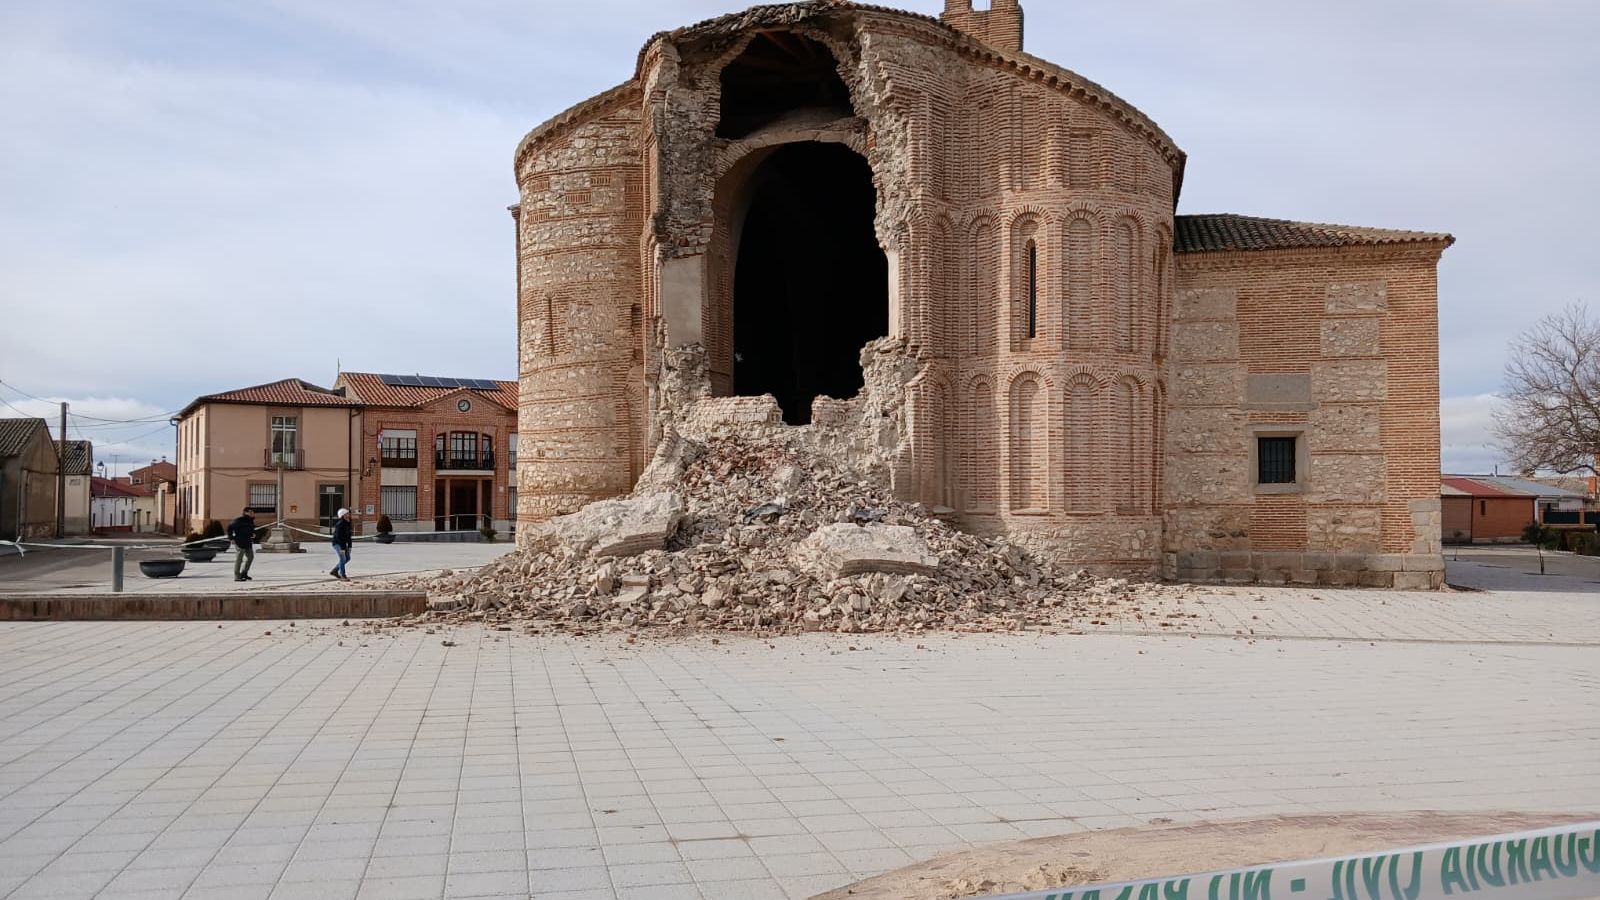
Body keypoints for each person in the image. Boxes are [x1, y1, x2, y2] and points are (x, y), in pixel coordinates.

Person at [227, 508, 256, 582]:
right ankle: (237, 576)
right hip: (239, 541)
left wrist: (252, 534)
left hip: (248, 541)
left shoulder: (251, 520)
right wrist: (231, 538)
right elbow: (229, 527)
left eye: (253, 512)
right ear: (245, 512)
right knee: (239, 559)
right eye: (250, 512)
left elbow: (250, 529)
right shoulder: (239, 520)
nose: (252, 513)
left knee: (250, 557)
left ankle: (244, 573)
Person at [330, 508, 354, 580]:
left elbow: (349, 536)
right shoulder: (340, 524)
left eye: (348, 513)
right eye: (346, 514)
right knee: (342, 558)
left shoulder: (348, 523)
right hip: (337, 543)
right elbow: (339, 537)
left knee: (347, 558)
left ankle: (334, 571)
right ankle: (342, 575)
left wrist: (350, 547)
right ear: (343, 515)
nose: (348, 515)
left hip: (343, 543)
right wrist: (342, 549)